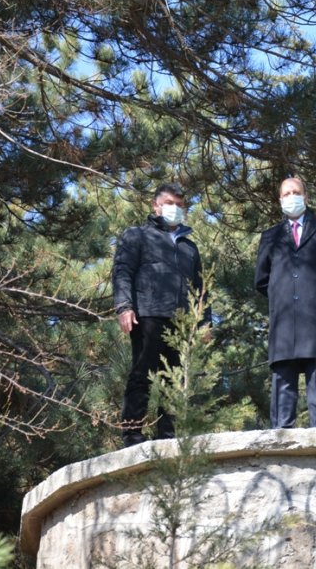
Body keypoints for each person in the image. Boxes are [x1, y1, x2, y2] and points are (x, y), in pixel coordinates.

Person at [112, 183, 209, 447]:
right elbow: (122, 271)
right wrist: (124, 306)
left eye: (179, 205)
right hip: (147, 315)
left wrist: (204, 322)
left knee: (175, 380)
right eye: (169, 203)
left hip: (182, 321)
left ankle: (168, 437)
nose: (174, 208)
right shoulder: (137, 235)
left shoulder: (189, 247)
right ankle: (132, 434)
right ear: (156, 206)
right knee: (142, 374)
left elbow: (201, 287)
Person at [254, 177, 316, 428]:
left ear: (306, 197)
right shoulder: (270, 236)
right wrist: (283, 296)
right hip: (283, 325)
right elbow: (261, 280)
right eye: (286, 194)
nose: (291, 197)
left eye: (296, 192)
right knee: (282, 394)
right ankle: (281, 441)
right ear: (280, 200)